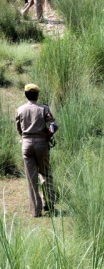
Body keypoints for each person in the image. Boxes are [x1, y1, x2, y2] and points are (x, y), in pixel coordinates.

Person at [15, 84, 58, 217]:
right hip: (42, 144)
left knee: (31, 178)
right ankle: (49, 205)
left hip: (26, 144)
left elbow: (19, 129)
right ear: (37, 95)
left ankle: (35, 211)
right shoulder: (44, 109)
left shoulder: (20, 110)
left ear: (25, 95)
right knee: (45, 174)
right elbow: (53, 126)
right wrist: (49, 135)